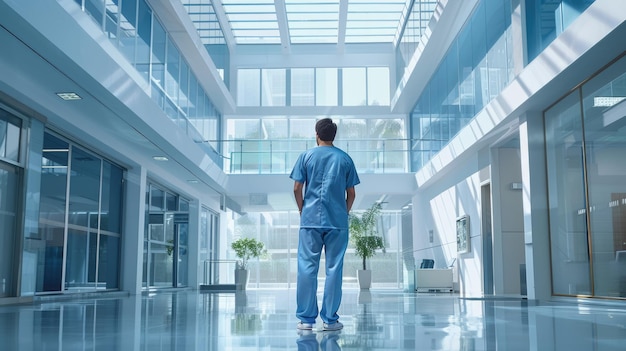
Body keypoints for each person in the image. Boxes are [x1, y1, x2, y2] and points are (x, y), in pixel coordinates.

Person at [290, 118, 360, 332]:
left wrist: (303, 210)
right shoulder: (345, 159)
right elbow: (352, 193)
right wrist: (343, 212)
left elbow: (296, 189)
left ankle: (306, 320)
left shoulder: (306, 156)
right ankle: (330, 320)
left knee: (306, 269)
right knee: (334, 269)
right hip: (337, 222)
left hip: (310, 221)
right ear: (334, 136)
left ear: (316, 134)